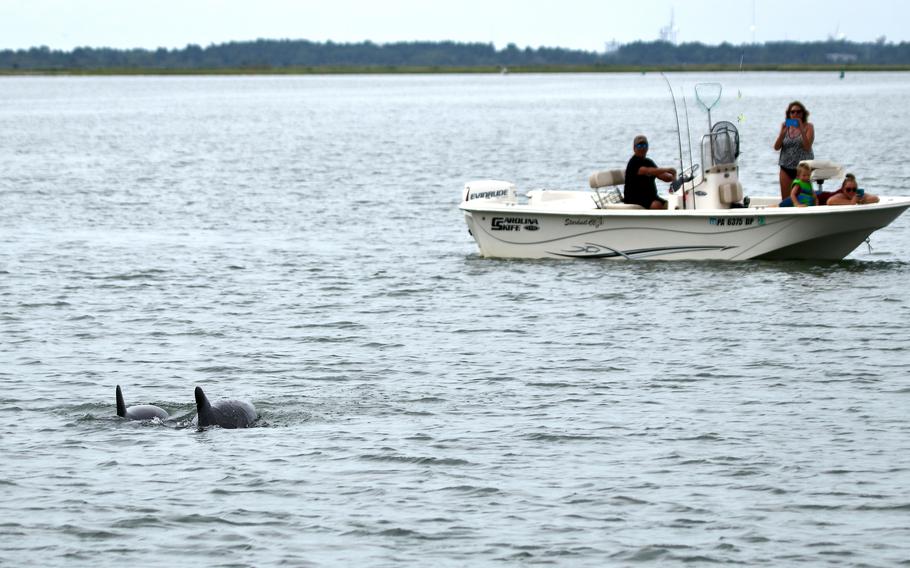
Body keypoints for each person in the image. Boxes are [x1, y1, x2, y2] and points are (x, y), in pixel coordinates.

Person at [773, 101, 815, 200]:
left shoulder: (809, 127)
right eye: (792, 112)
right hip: (786, 167)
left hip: (802, 169)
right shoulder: (785, 126)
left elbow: (807, 147)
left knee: (803, 197)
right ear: (789, 114)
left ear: (803, 113)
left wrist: (801, 128)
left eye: (798, 112)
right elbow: (776, 147)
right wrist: (783, 132)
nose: (795, 114)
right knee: (786, 199)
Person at [623, 134, 676, 210]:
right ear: (634, 148)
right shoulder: (633, 162)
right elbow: (647, 171)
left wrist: (674, 178)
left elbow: (663, 176)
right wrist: (667, 170)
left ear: (647, 147)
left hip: (651, 197)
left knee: (671, 204)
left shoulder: (649, 162)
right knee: (656, 205)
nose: (642, 148)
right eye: (639, 146)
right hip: (634, 198)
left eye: (644, 146)